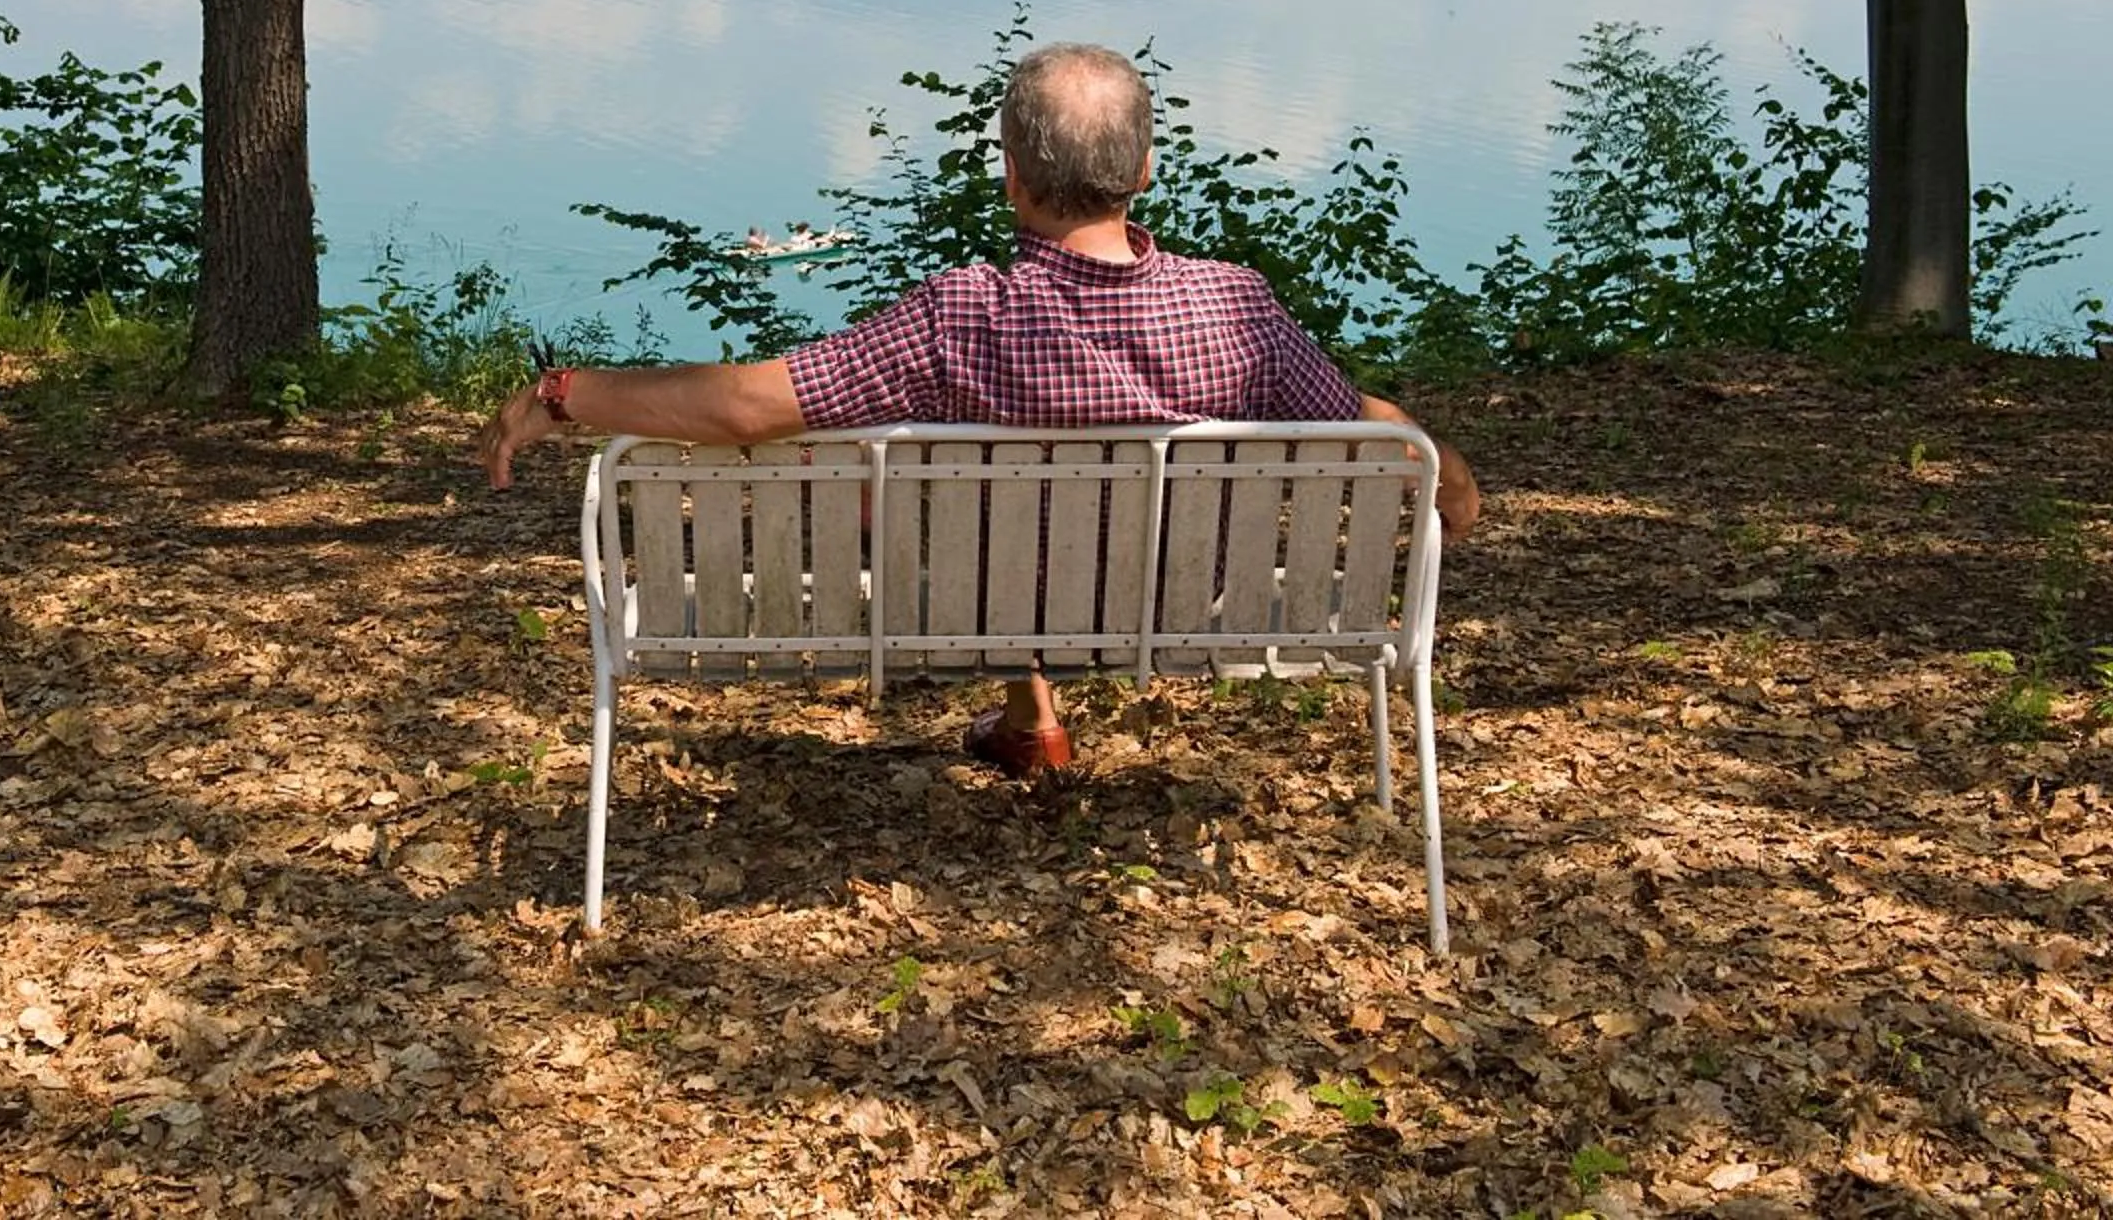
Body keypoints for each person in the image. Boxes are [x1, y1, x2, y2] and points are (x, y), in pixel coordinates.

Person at [478, 42, 1480, 777]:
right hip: (1173, 604)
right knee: (979, 506)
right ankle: (1028, 715)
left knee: (897, 487)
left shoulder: (963, 317)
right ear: (1142, 171)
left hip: (987, 605)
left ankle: (1026, 701)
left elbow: (748, 407)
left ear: (1011, 180)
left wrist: (569, 394)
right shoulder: (1237, 304)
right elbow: (1359, 425)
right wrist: (1444, 473)